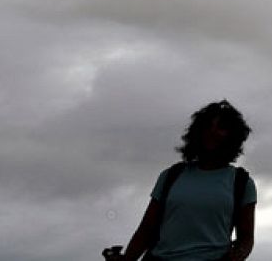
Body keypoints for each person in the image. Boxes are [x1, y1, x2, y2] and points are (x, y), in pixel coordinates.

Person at [105, 100, 257, 261]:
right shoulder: (171, 176)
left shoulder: (241, 182)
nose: (212, 132)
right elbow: (146, 230)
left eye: (221, 127)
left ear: (233, 136)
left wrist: (237, 255)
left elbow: (246, 238)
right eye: (207, 126)